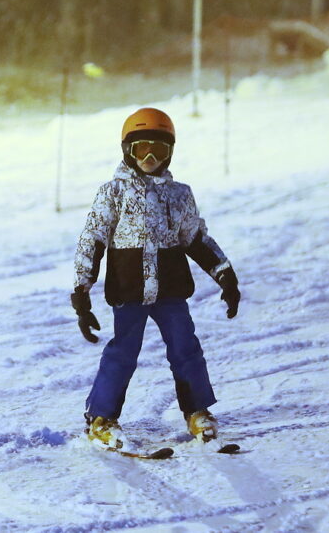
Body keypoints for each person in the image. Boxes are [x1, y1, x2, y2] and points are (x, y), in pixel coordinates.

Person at [70, 107, 241, 450]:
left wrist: (225, 276)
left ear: (170, 153)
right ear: (127, 151)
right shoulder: (112, 193)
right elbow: (93, 240)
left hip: (171, 291)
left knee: (185, 349)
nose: (150, 157)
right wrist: (82, 291)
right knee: (123, 353)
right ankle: (101, 417)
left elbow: (195, 239)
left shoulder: (179, 195)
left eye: (159, 150)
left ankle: (197, 411)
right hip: (129, 290)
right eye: (141, 148)